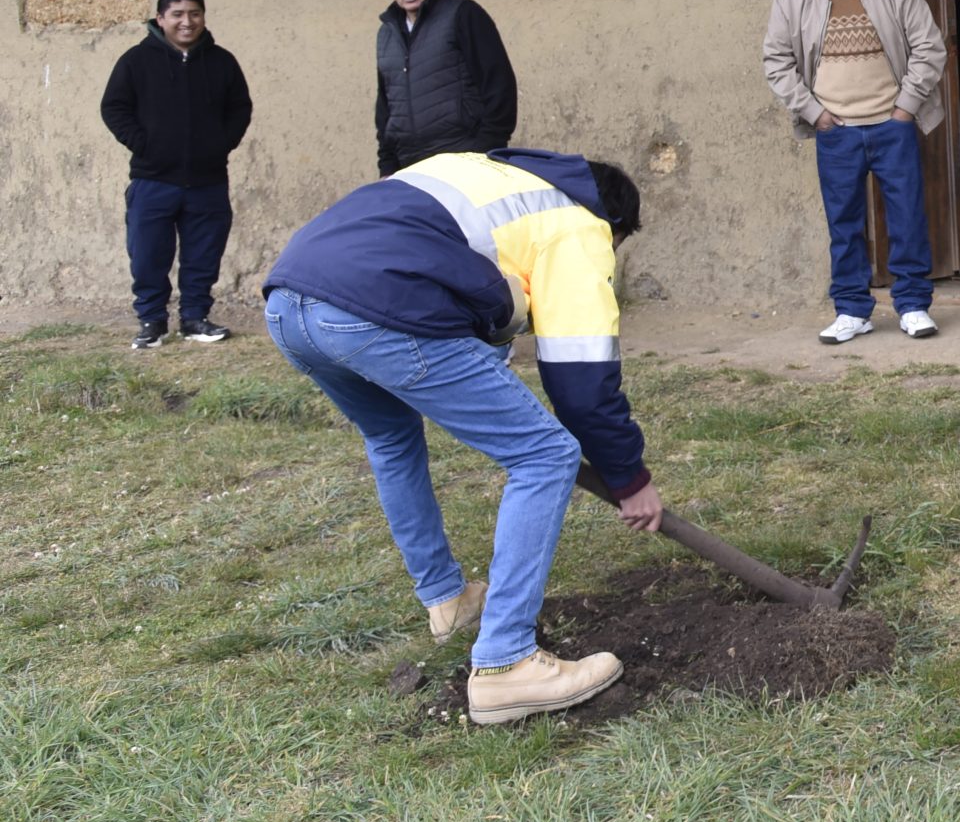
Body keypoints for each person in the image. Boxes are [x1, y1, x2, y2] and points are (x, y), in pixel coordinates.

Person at [262, 149, 663, 725]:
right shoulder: (578, 225)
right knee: (544, 454)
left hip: (289, 302)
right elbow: (581, 377)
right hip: (375, 308)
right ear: (613, 225)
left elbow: (454, 278)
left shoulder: (481, 173)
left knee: (392, 439)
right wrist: (629, 479)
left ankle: (447, 601)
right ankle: (506, 665)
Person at [763, 0, 950, 342]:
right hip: (836, 130)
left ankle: (914, 305)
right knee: (843, 223)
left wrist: (905, 107)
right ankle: (852, 310)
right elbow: (776, 62)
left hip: (892, 122)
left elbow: (929, 47)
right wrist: (814, 113)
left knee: (906, 217)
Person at [99, 0, 253, 349]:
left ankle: (195, 318)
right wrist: (144, 144)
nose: (187, 22)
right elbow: (114, 108)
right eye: (178, 14)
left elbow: (239, 109)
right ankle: (152, 322)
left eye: (195, 13)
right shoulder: (135, 61)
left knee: (203, 256)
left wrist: (219, 144)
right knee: (148, 255)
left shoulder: (222, 62)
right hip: (153, 180)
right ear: (161, 18)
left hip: (208, 181)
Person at [376, 0, 517, 176]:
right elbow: (386, 105)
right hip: (411, 165)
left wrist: (486, 147)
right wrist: (387, 165)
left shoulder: (464, 14)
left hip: (465, 156)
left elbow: (498, 82)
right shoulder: (386, 34)